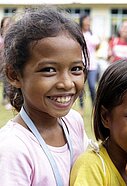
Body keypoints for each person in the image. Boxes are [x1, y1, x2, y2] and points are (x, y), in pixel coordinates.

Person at [0, 6, 89, 185]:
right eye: (49, 70)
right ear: (14, 75)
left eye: (76, 69)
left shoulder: (73, 122)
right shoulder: (12, 148)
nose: (66, 83)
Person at [78, 14, 100, 115]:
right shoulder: (78, 34)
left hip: (92, 65)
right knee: (80, 87)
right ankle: (81, 108)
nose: (87, 22)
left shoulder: (93, 35)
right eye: (86, 20)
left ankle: (94, 107)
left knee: (92, 86)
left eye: (89, 20)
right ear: (82, 21)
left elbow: (97, 46)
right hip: (81, 65)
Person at [0, 16, 12, 110]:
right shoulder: (1, 37)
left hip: (9, 62)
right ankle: (5, 100)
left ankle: (8, 100)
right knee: (5, 82)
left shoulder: (13, 36)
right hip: (1, 62)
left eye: (9, 24)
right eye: (6, 24)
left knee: (8, 82)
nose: (8, 26)